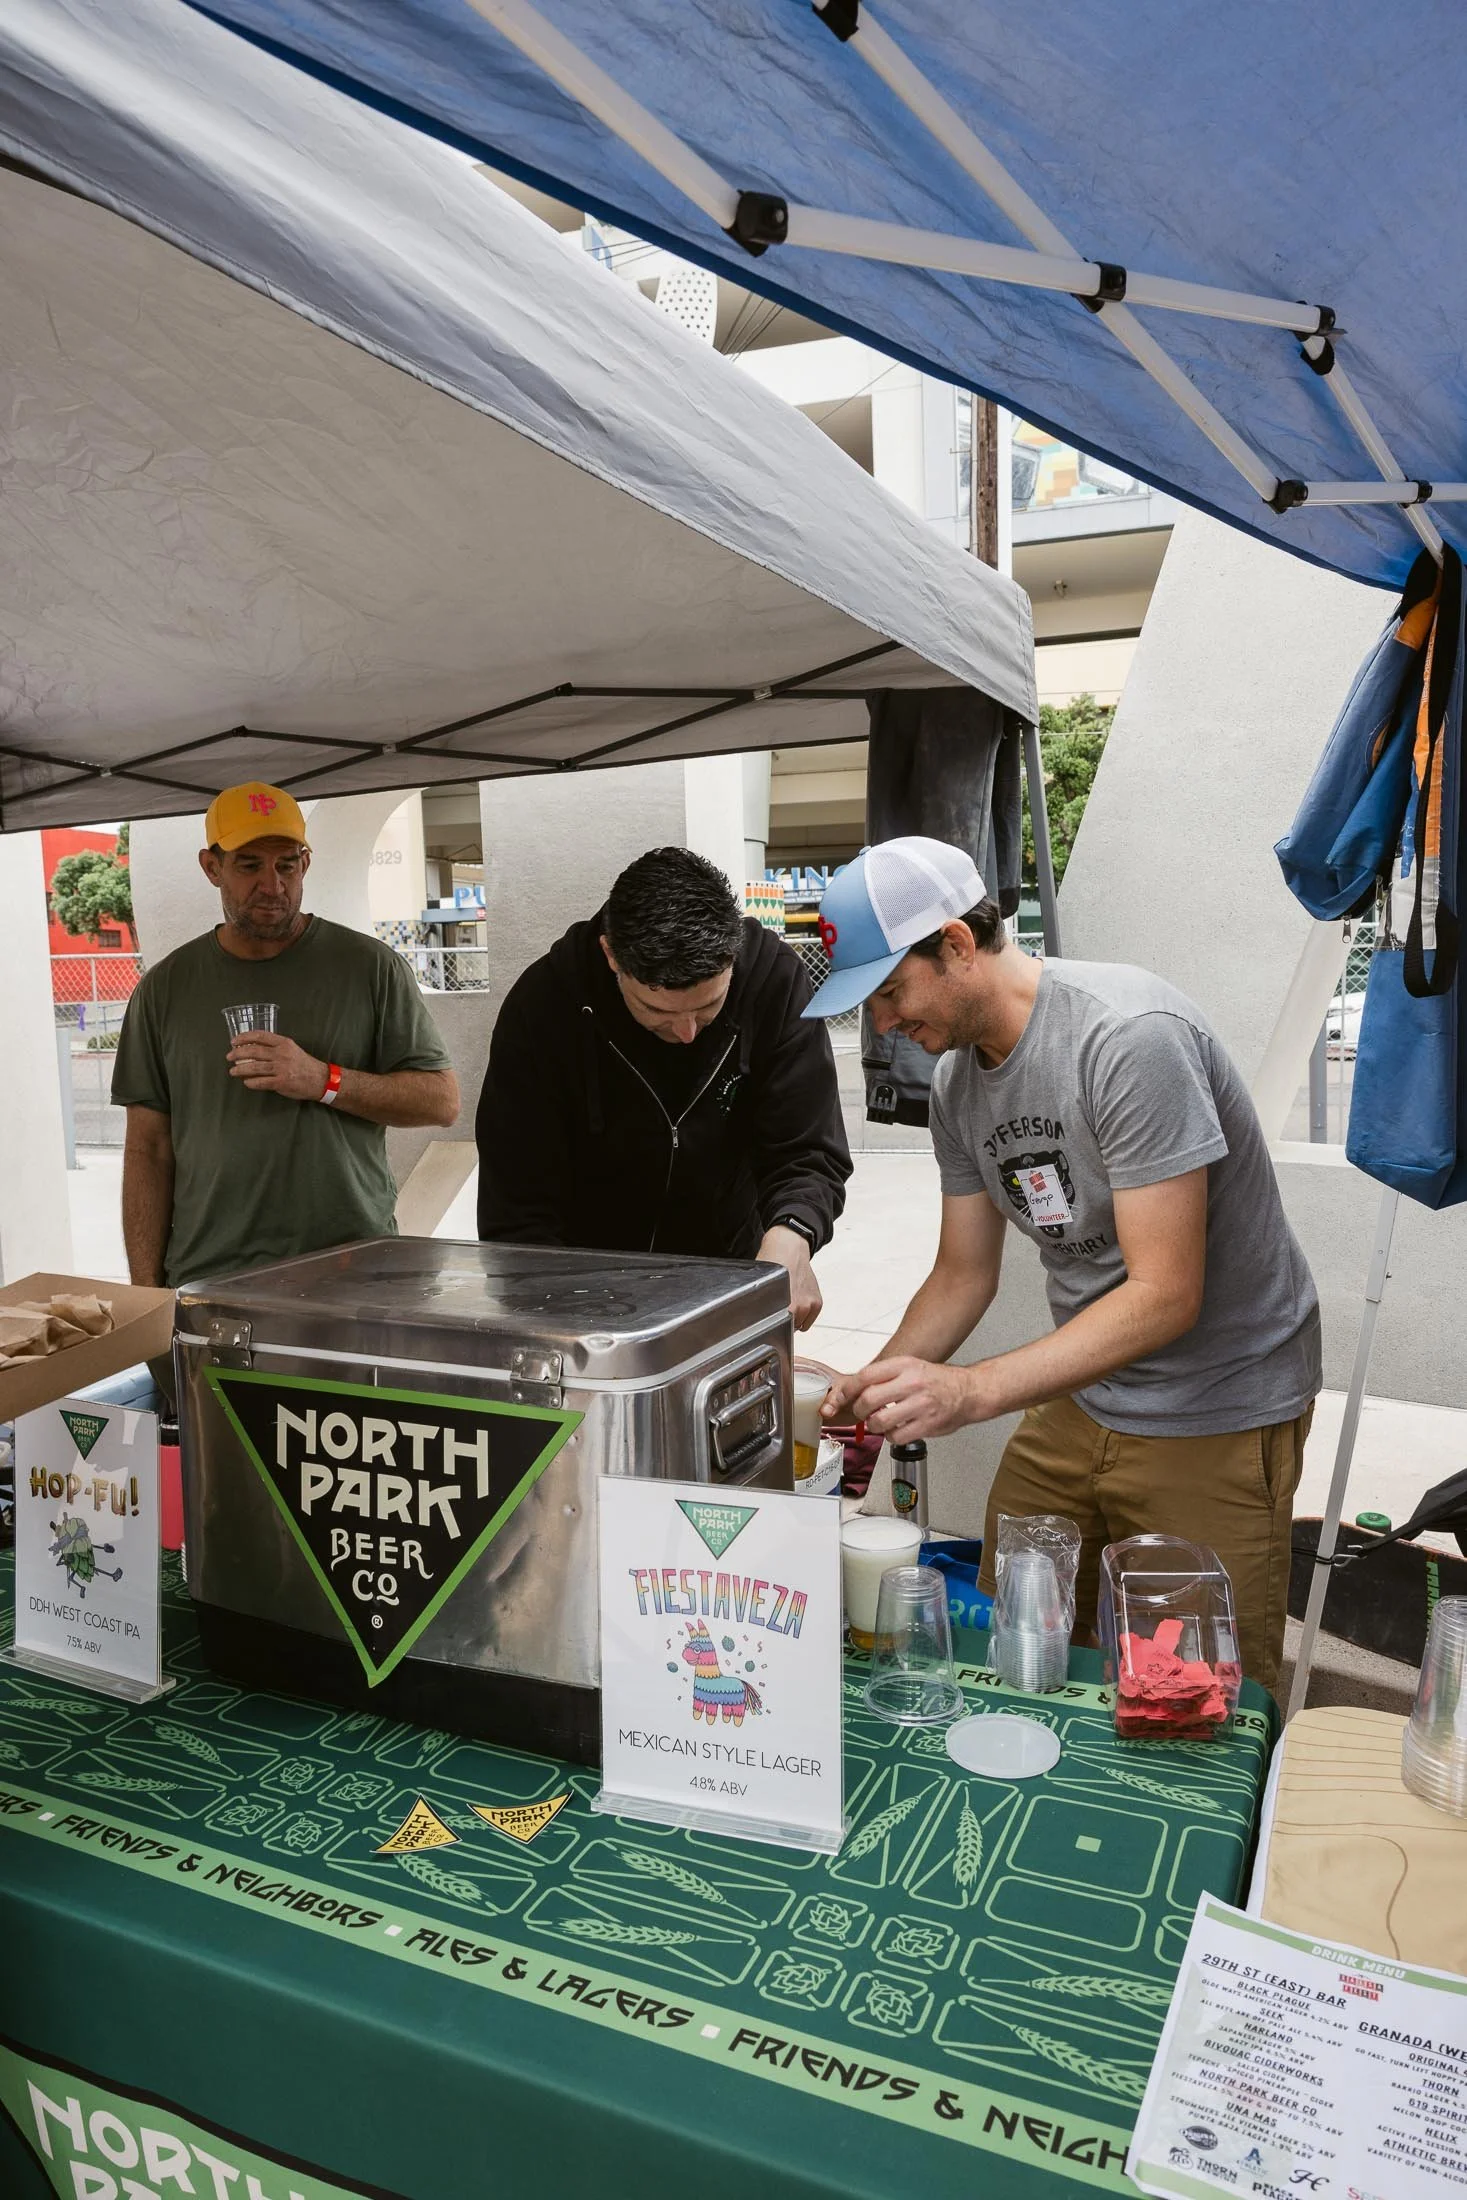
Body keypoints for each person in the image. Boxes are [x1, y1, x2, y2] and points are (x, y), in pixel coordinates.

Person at [809, 837, 1320, 1692]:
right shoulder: (955, 1084)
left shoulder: (1126, 1038)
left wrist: (969, 1391)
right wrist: (877, 1383)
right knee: (1018, 1637)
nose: (885, 1024)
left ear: (958, 945)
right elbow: (961, 1275)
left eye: (891, 992)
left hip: (1218, 1400)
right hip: (1085, 1393)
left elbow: (1164, 1296)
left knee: (1190, 1687)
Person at [476, 847, 851, 1326]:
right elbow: (517, 1207)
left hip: (729, 1275)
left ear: (732, 954)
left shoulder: (773, 981)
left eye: (708, 1007)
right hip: (579, 1290)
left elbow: (808, 1151)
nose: (688, 1033)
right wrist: (559, 1318)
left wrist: (792, 1234)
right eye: (658, 1014)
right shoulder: (543, 1007)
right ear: (612, 955)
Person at [114, 782, 459, 1295]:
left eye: (287, 865)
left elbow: (440, 1101)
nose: (272, 886)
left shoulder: (370, 968)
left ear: (307, 863)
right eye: (249, 865)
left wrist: (322, 1079)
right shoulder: (165, 989)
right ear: (212, 867)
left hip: (351, 1272)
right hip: (212, 1279)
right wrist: (146, 1294)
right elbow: (148, 1149)